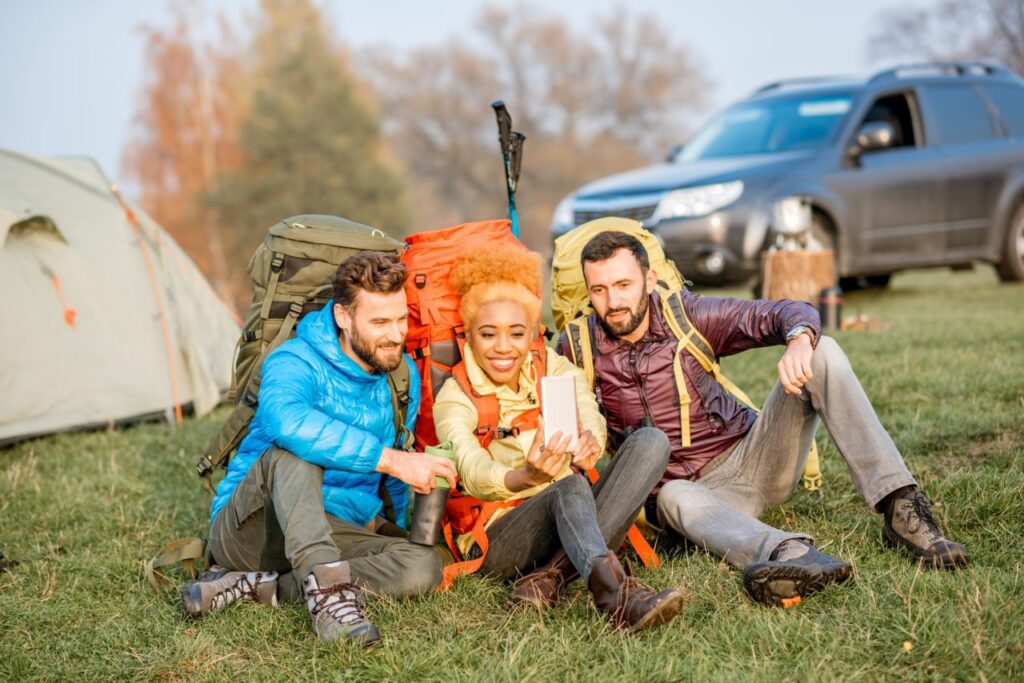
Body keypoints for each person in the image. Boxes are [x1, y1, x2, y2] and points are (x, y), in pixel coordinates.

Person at [557, 231, 969, 607]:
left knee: (823, 352)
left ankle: (900, 506)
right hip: (686, 497)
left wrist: (798, 341)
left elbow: (788, 311)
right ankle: (792, 556)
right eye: (599, 289)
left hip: (755, 457)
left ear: (648, 280)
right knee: (673, 496)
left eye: (624, 285)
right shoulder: (576, 347)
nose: (613, 302)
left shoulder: (688, 316)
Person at [182, 252, 457, 645]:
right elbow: (286, 422)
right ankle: (330, 603)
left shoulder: (401, 374)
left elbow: (397, 461)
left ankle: (263, 588)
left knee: (425, 565)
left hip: (334, 529)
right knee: (296, 450)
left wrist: (392, 521)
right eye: (379, 322)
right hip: (254, 531)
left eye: (401, 319)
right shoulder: (293, 361)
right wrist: (391, 461)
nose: (396, 334)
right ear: (343, 317)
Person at [432, 245, 684, 632]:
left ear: (531, 333)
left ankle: (551, 576)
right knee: (568, 486)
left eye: (517, 333)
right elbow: (471, 469)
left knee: (650, 441)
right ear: (469, 335)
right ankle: (617, 597)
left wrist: (589, 440)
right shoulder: (454, 395)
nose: (504, 347)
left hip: (574, 511)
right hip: (501, 537)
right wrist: (525, 478)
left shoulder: (549, 364)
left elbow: (587, 410)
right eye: (488, 334)